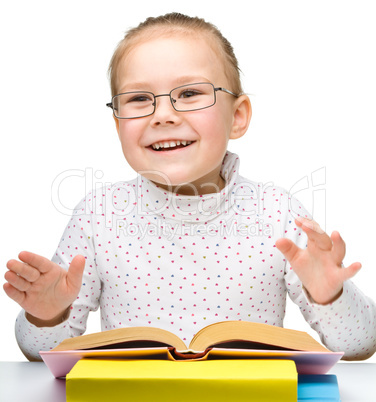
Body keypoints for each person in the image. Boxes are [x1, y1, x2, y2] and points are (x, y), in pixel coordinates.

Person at [4, 12, 376, 362]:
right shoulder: (98, 214)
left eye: (189, 94)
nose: (163, 115)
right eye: (138, 99)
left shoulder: (277, 211)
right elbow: (38, 354)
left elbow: (361, 345)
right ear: (118, 126)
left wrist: (331, 296)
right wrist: (47, 317)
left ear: (238, 117)